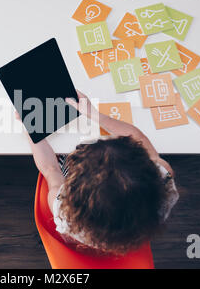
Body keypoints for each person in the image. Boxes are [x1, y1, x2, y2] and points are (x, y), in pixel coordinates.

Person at [21, 91, 179, 255]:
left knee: (61, 159)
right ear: (147, 166)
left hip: (90, 236)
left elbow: (50, 169)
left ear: (77, 188)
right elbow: (137, 137)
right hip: (132, 233)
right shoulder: (163, 179)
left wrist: (31, 131)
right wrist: (95, 115)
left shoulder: (64, 210)